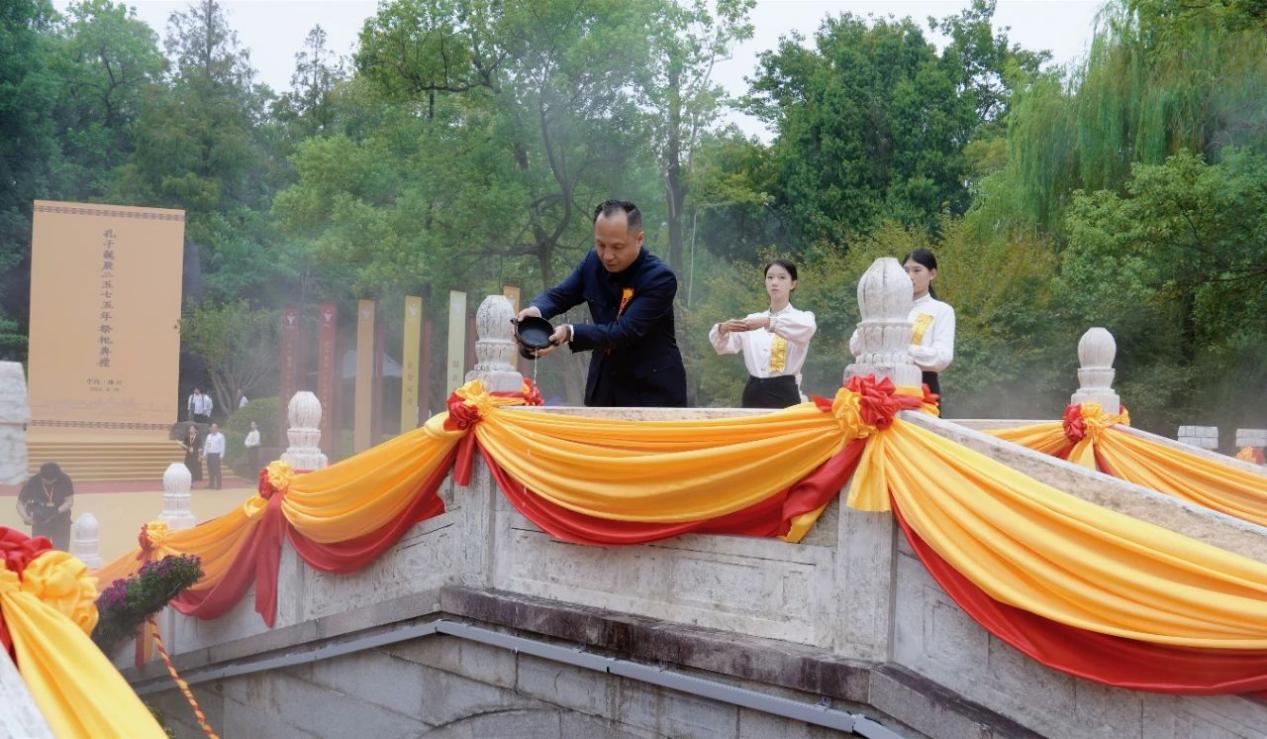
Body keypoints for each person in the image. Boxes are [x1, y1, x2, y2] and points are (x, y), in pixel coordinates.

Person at [518, 199, 687, 407]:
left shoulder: (659, 278)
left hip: (651, 393)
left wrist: (570, 332)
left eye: (617, 247)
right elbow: (560, 295)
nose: (607, 256)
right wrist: (536, 310)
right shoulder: (592, 262)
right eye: (600, 244)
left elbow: (624, 331)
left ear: (639, 239)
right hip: (604, 389)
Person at [849, 248, 956, 405]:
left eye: (917, 270)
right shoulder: (885, 308)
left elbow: (942, 357)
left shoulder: (941, 310)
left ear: (932, 274)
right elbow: (855, 347)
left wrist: (899, 351)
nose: (910, 276)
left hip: (921, 387)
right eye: (905, 271)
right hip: (878, 387)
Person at [709, 260, 817, 409]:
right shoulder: (752, 320)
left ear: (793, 284)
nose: (775, 282)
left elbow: (807, 329)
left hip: (784, 391)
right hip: (754, 390)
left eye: (782, 277)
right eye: (770, 277)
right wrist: (722, 329)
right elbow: (723, 347)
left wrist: (768, 322)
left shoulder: (802, 318)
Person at [17, 462, 74, 550]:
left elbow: (69, 501)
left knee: (61, 552)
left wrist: (55, 511)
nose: (49, 483)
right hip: (40, 522)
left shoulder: (65, 479)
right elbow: (20, 504)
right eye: (46, 481)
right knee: (39, 551)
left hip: (61, 520)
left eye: (52, 482)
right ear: (41, 476)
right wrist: (26, 517)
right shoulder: (33, 482)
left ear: (57, 477)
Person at [202, 423, 226, 490]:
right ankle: (211, 484)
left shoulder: (220, 436)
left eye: (214, 427)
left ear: (217, 428)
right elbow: (207, 445)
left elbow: (222, 446)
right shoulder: (209, 436)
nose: (213, 429)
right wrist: (204, 454)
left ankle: (219, 485)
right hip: (210, 455)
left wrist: (221, 455)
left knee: (217, 470)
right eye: (212, 427)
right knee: (210, 470)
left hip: (216, 455)